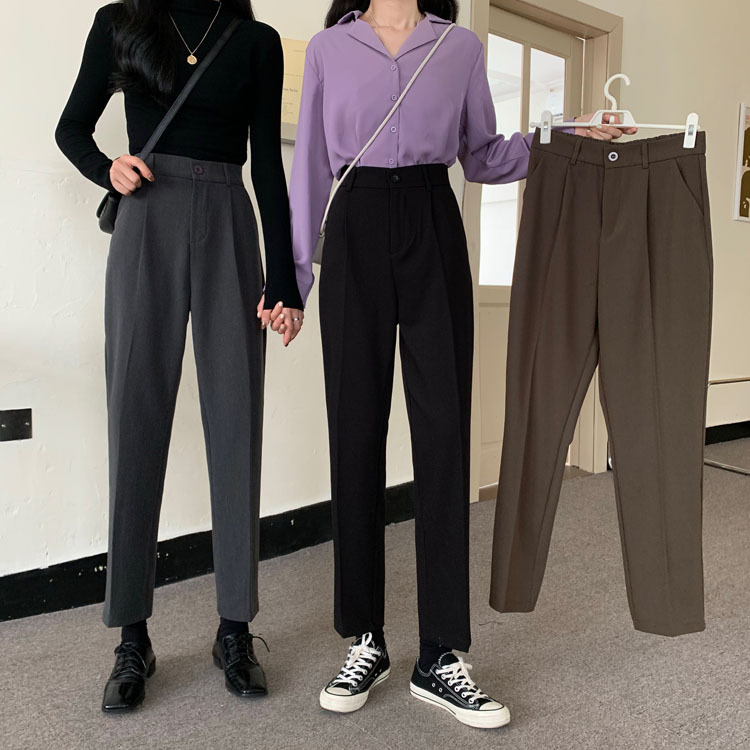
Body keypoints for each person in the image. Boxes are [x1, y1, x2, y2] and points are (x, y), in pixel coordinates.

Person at [289, 0, 634, 729]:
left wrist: (564, 136)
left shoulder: (460, 48)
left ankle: (441, 654)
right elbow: (311, 168)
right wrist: (292, 280)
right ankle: (364, 638)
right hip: (353, 225)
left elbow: (483, 156)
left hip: (432, 222)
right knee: (354, 434)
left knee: (444, 437)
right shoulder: (328, 49)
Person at [55, 0, 303, 712]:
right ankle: (132, 636)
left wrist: (284, 278)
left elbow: (267, 165)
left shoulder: (254, 40)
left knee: (236, 421)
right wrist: (108, 169)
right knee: (134, 418)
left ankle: (235, 629)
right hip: (148, 218)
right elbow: (71, 128)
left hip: (229, 217)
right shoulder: (123, 21)